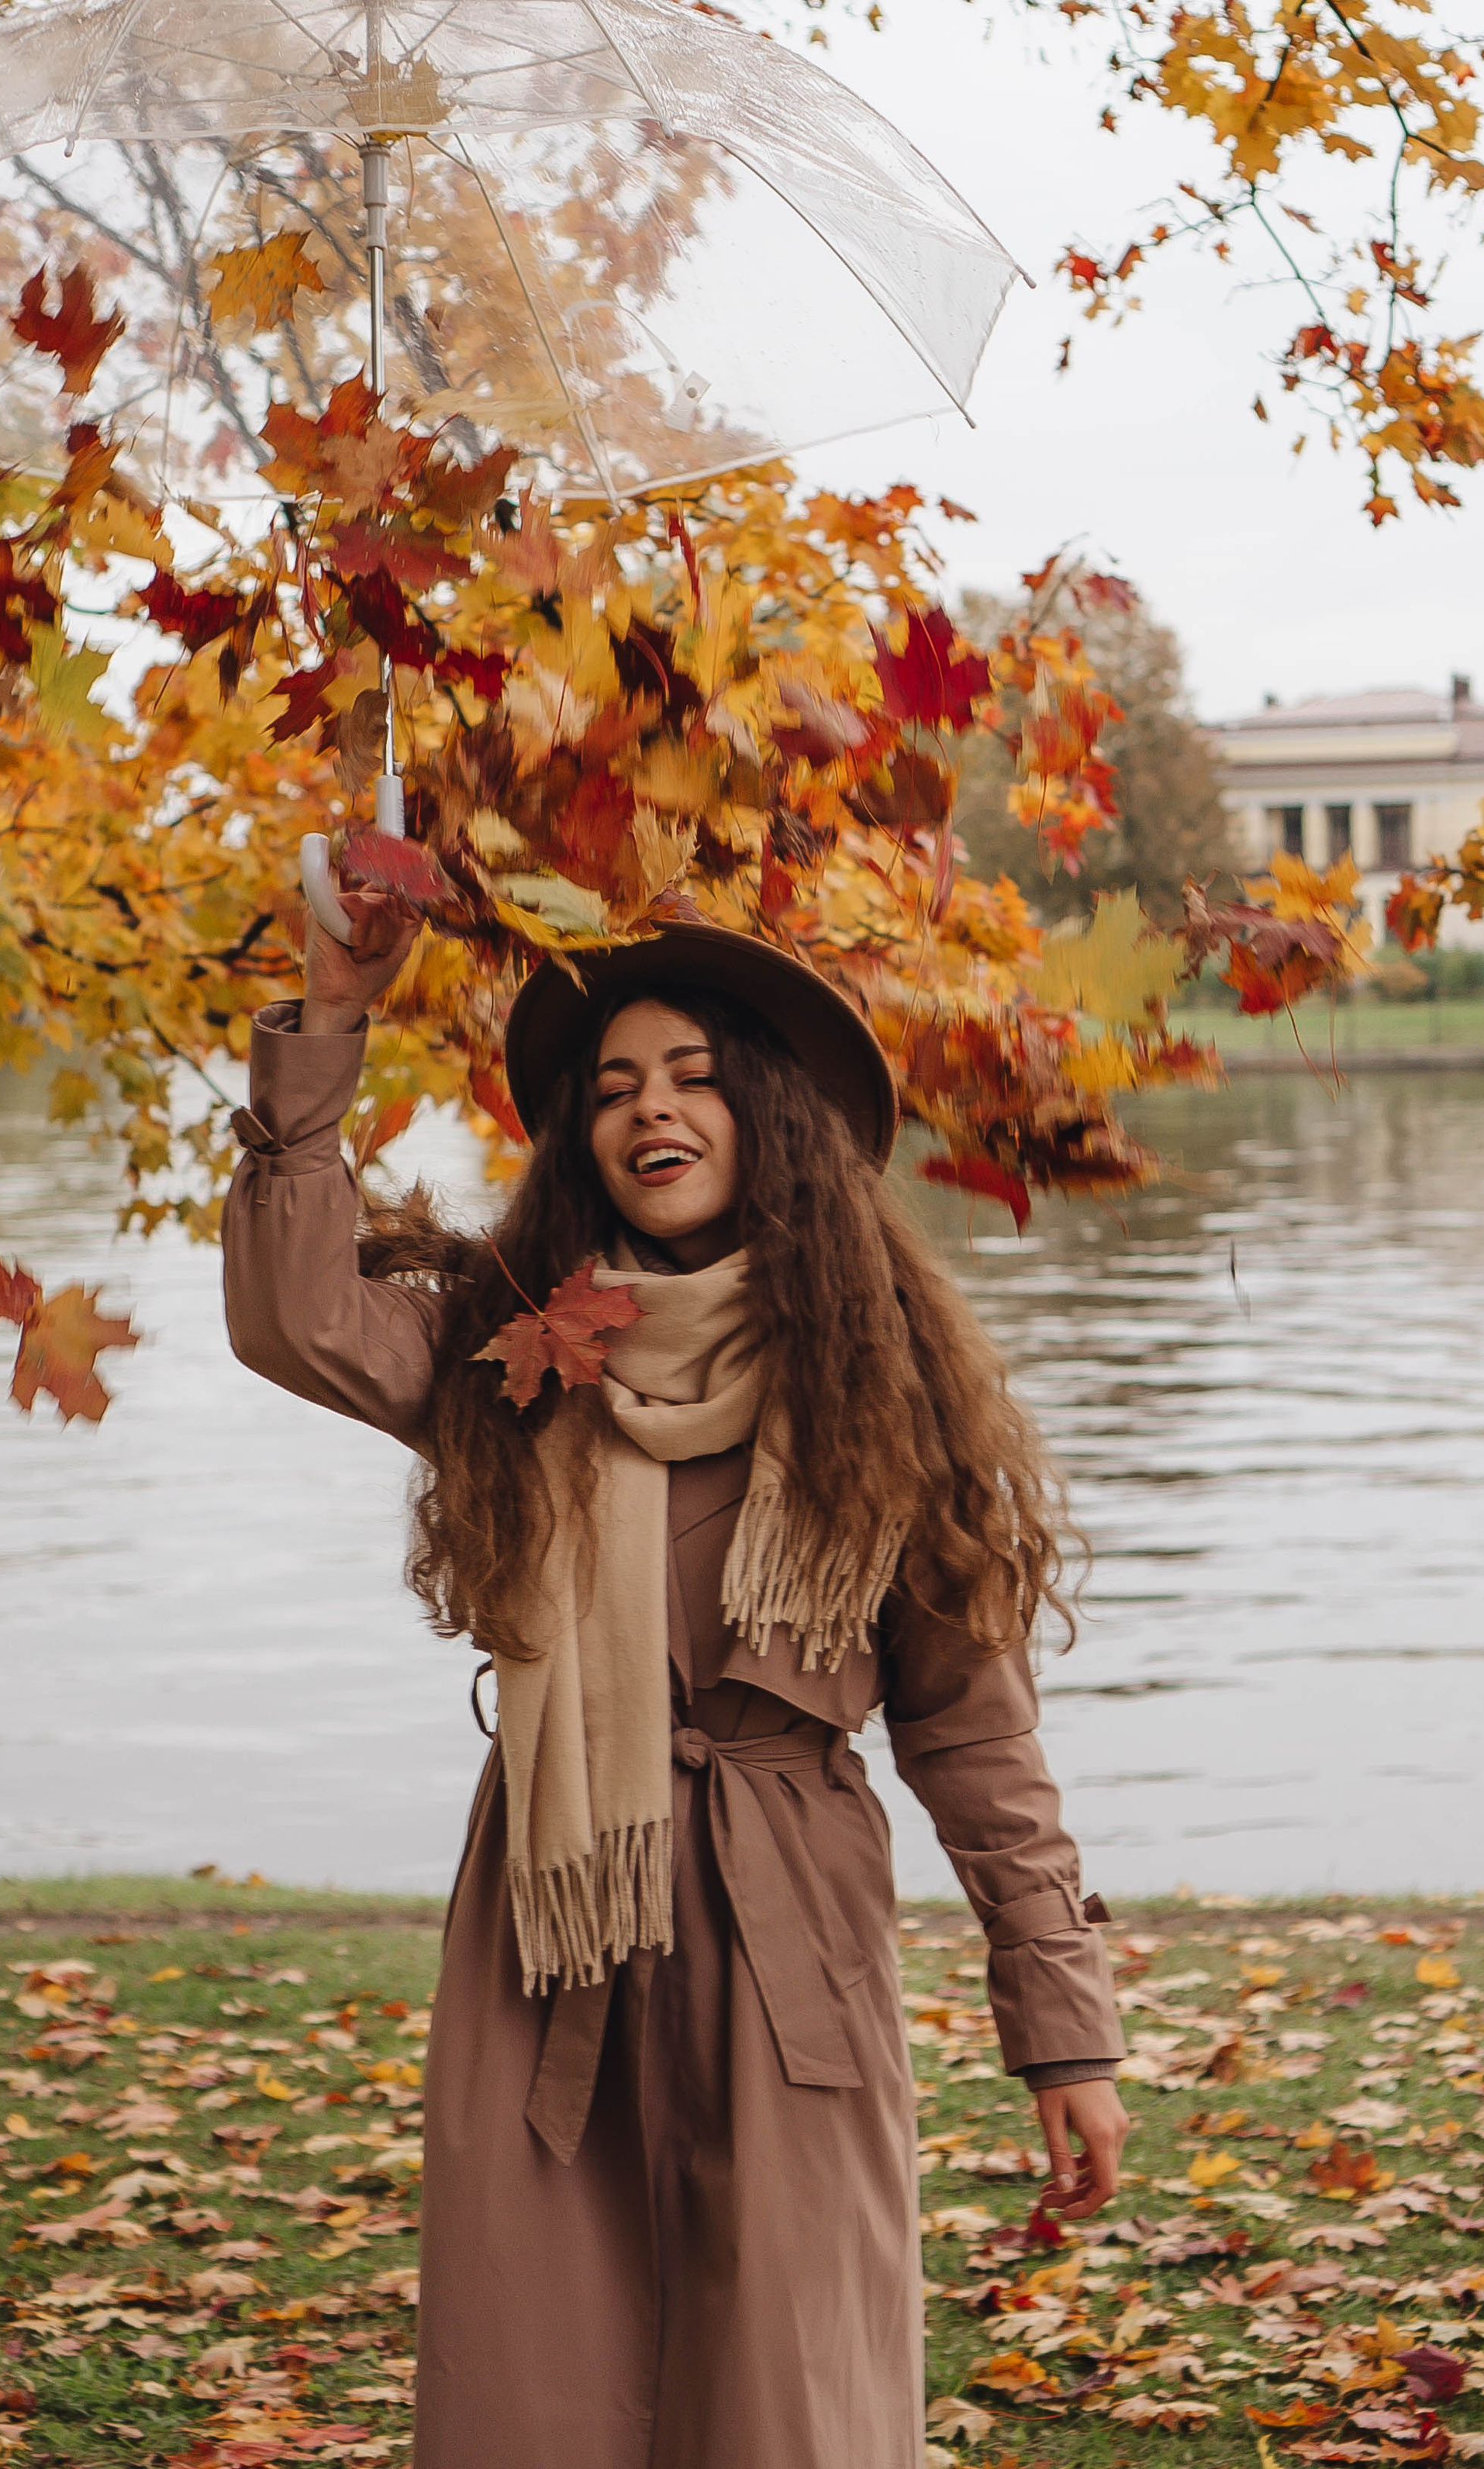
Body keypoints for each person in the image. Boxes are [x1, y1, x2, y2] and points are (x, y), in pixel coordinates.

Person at [223, 892, 1126, 2469]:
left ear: (763, 1111)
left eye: (693, 1072)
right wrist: (324, 1019)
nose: (651, 1105)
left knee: (789, 2388)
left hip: (791, 1934)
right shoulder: (505, 1351)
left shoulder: (877, 1378)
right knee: (539, 2381)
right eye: (617, 1081)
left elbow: (975, 1738)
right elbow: (296, 1317)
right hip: (552, 1916)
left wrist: (1061, 2027)